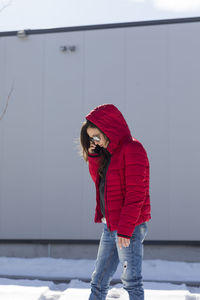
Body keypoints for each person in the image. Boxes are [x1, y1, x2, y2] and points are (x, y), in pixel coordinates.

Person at [80, 104, 151, 300]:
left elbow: (137, 193)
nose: (95, 141)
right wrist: (94, 157)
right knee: (99, 280)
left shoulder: (133, 149)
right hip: (110, 226)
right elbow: (99, 182)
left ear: (109, 128)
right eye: (91, 138)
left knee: (132, 281)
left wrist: (126, 229)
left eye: (97, 136)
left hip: (129, 228)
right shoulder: (108, 153)